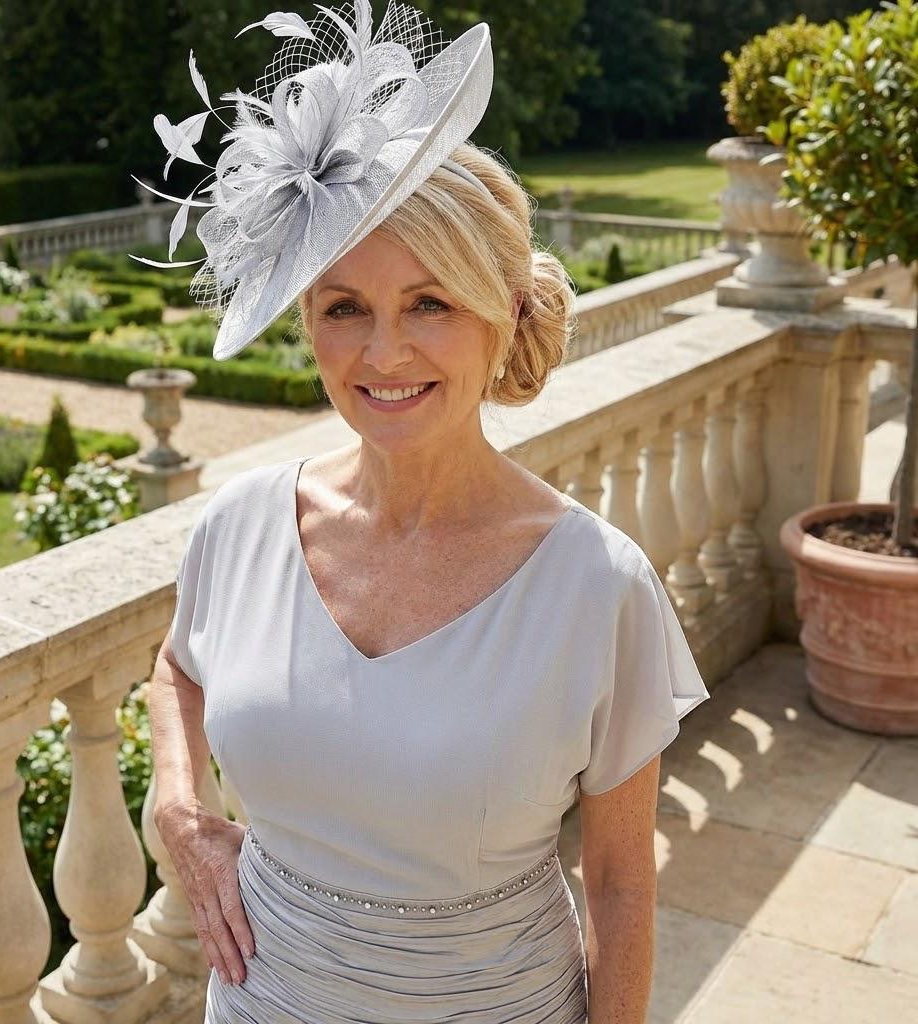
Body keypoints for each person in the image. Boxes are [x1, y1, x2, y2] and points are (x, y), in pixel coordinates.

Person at [143, 3, 711, 1022]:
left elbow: (622, 883)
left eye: (430, 304)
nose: (383, 353)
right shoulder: (241, 526)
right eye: (344, 306)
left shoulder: (597, 585)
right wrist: (178, 802)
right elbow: (177, 665)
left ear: (503, 319)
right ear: (308, 325)